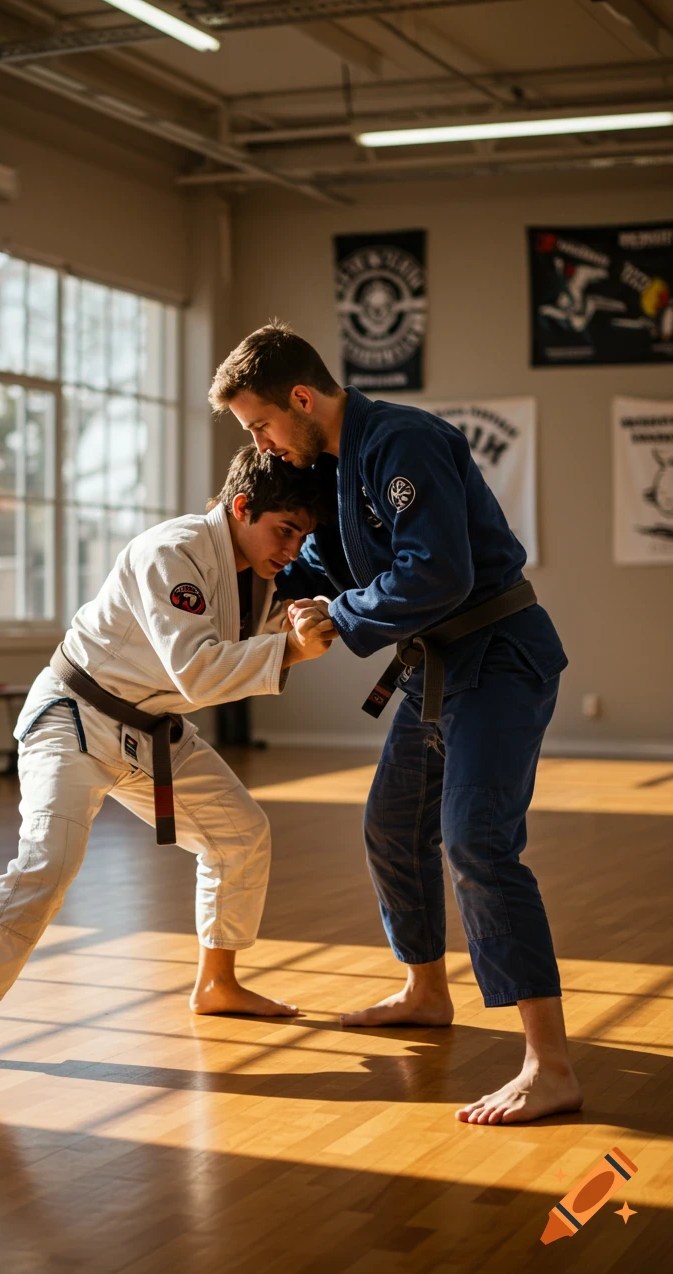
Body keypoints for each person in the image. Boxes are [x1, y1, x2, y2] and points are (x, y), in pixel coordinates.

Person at [209, 322, 584, 1126]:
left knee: (477, 839)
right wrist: (223, 554)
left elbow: (438, 572)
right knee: (391, 825)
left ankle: (548, 1065)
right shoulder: (333, 467)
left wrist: (336, 616)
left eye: (262, 425)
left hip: (498, 656)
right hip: (434, 671)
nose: (264, 443)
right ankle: (425, 989)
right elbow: (320, 565)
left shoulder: (399, 441)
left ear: (301, 398)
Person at [0, 445, 335, 1077]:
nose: (294, 548)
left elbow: (226, 654)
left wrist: (296, 627)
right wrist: (290, 651)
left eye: (302, 535)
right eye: (286, 530)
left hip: (150, 728)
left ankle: (217, 984)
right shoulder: (174, 551)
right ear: (242, 507)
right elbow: (196, 670)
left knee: (240, 833)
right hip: (75, 716)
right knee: (48, 861)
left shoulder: (256, 571)